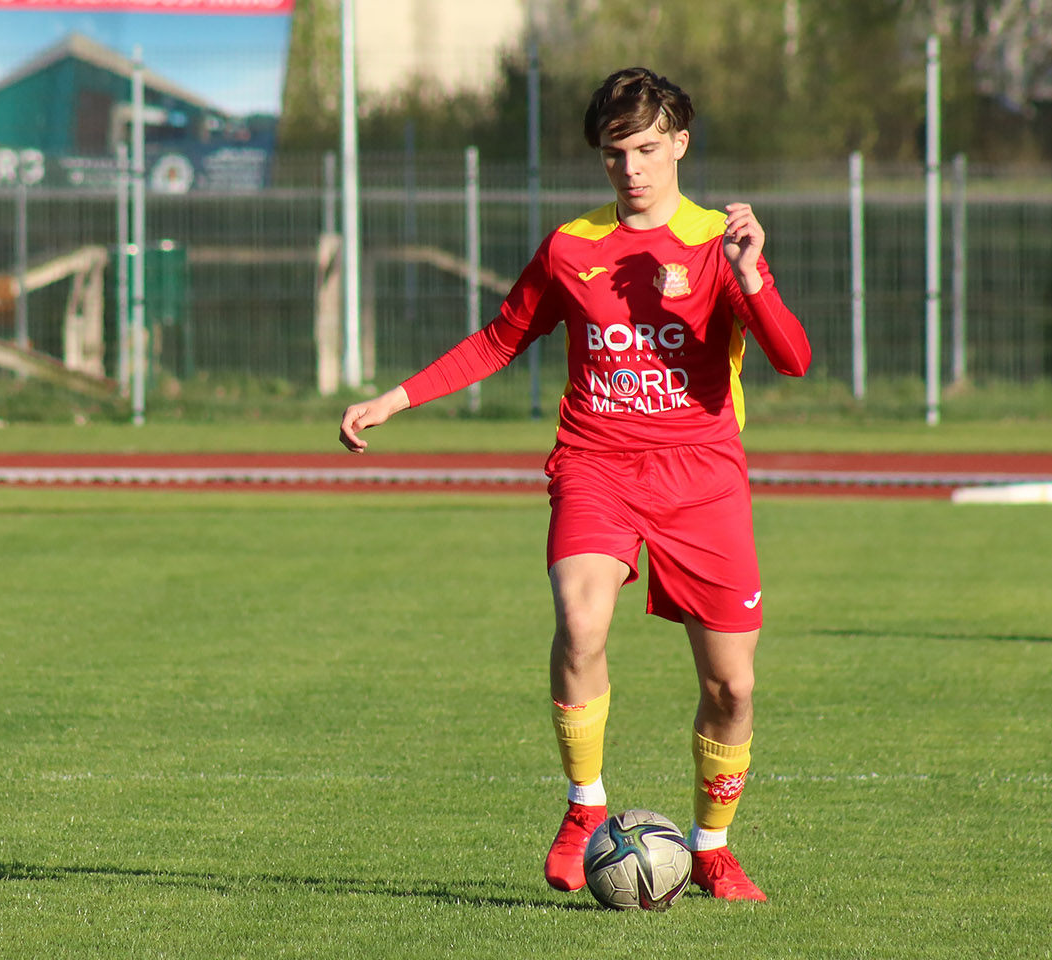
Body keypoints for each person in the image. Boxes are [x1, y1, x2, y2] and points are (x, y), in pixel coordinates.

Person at [339, 67, 810, 902]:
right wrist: (396, 398)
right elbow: (499, 338)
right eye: (614, 153)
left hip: (703, 478)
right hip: (596, 465)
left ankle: (710, 847)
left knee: (731, 688)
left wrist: (752, 276)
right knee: (581, 623)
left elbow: (793, 359)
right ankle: (584, 805)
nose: (631, 168)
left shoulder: (718, 242)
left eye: (647, 149)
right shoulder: (570, 246)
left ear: (680, 144)